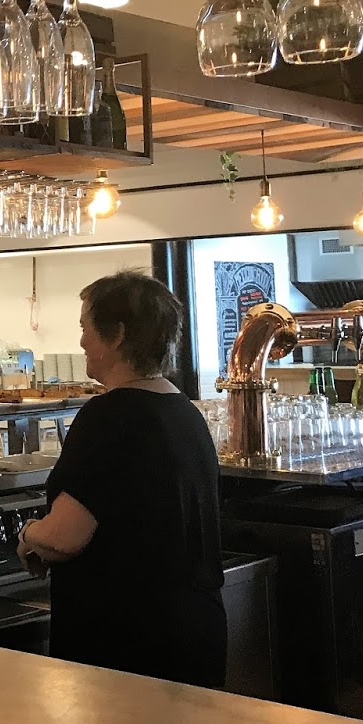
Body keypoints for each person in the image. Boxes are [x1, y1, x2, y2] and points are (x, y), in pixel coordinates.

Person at [16, 271, 226, 688]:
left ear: (117, 335)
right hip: (197, 628)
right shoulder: (183, 410)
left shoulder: (109, 416)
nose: (81, 342)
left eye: (85, 328)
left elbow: (64, 537)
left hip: (128, 641)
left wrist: (28, 534)